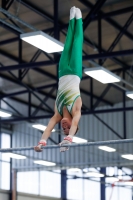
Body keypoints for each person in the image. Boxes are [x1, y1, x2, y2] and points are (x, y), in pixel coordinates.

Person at [34, 6, 83, 152]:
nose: (65, 126)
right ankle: (79, 20)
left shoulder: (57, 113)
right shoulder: (76, 109)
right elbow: (74, 124)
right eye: (68, 127)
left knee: (67, 44)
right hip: (75, 71)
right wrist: (68, 139)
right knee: (76, 44)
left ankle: (70, 20)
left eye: (64, 129)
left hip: (62, 73)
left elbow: (48, 128)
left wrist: (41, 142)